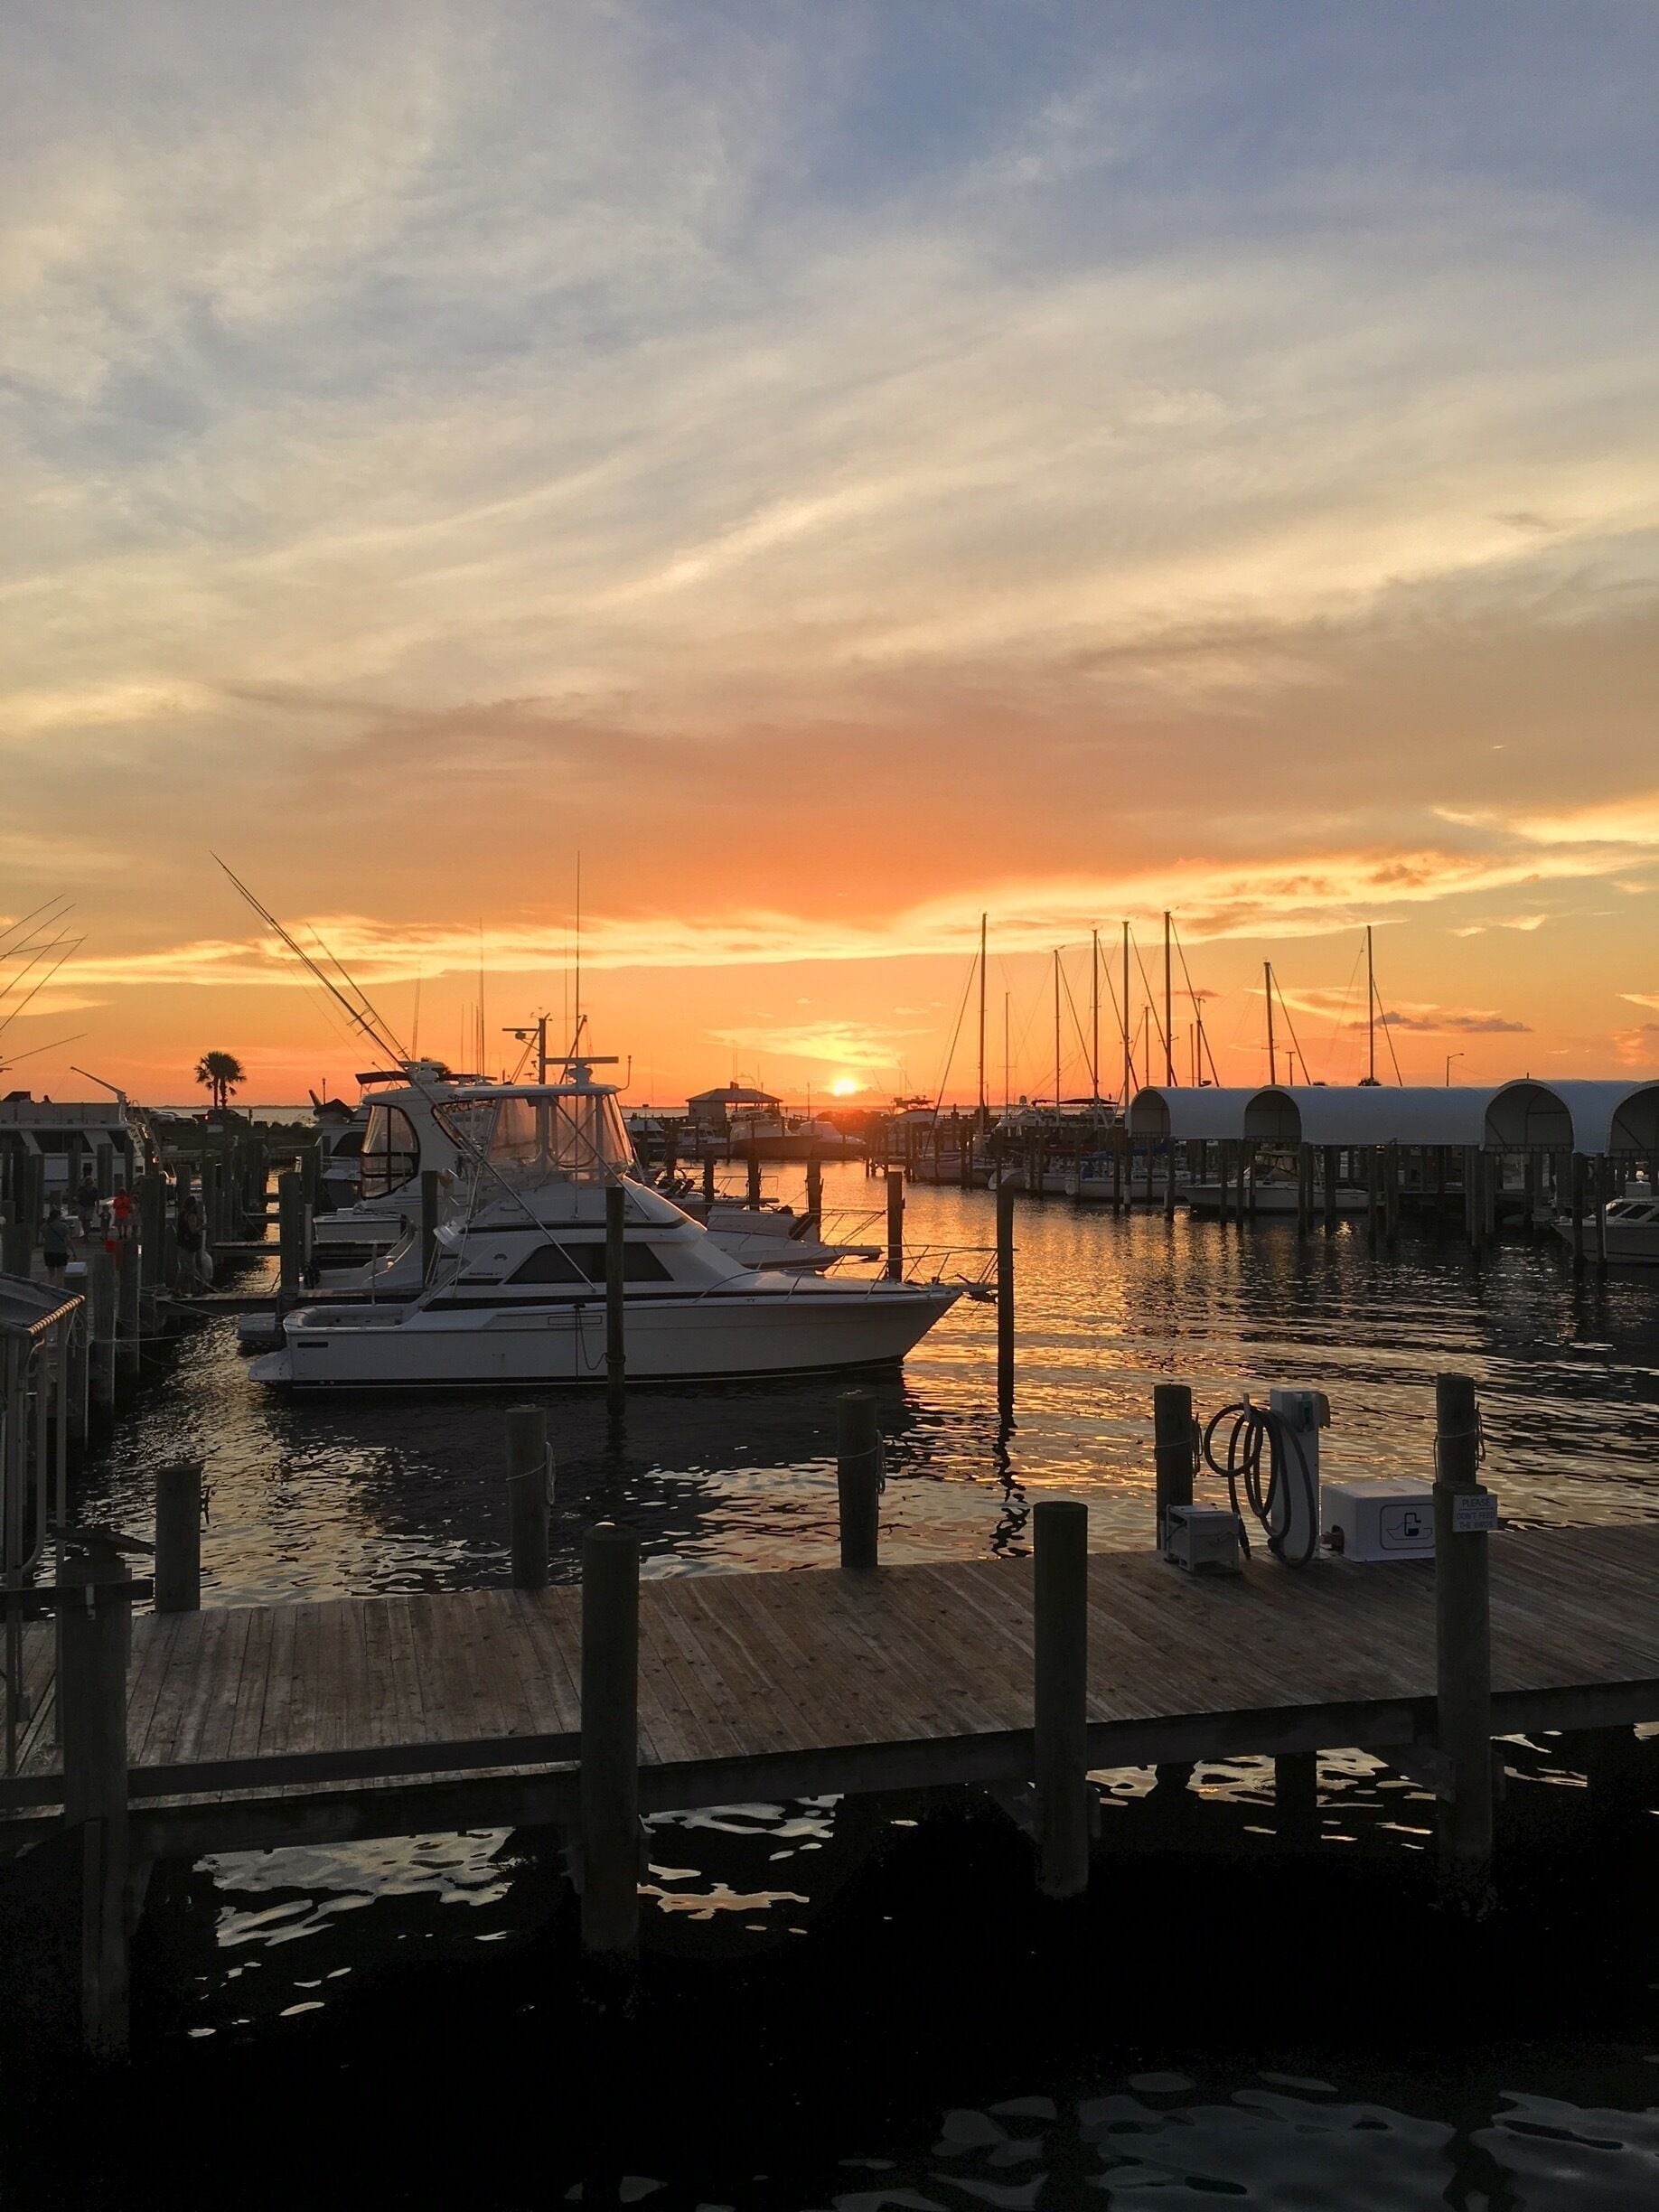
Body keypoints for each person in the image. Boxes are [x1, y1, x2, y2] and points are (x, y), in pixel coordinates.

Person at [174, 1190, 206, 1294]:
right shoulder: (191, 1216)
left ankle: (194, 1289)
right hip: (188, 1246)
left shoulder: (182, 1214)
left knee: (188, 1268)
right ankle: (177, 1290)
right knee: (186, 1269)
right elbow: (193, 1230)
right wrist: (202, 1227)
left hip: (182, 1244)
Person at [41, 1205, 72, 1282]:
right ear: (58, 1216)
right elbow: (68, 1240)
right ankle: (59, 1286)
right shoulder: (63, 1226)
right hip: (60, 1251)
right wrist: (73, 1252)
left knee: (50, 1273)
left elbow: (40, 1240)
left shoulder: (44, 1226)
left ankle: (50, 1286)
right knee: (60, 1272)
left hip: (48, 1251)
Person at [72, 1167, 102, 1237]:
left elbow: (97, 1199)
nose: (89, 1184)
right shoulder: (81, 1189)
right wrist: (76, 1201)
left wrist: (97, 1208)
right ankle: (85, 1232)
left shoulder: (94, 1190)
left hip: (90, 1206)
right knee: (83, 1220)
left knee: (88, 1220)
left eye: (90, 1182)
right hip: (82, 1205)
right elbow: (77, 1196)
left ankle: (87, 1234)